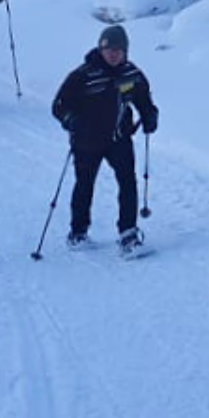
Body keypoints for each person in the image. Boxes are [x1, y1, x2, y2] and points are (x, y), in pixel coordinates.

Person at [51, 23, 159, 256]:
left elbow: (144, 100)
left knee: (128, 182)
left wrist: (150, 116)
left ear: (125, 51)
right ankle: (78, 233)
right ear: (101, 50)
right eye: (109, 49)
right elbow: (59, 106)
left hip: (119, 138)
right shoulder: (84, 75)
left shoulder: (132, 74)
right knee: (85, 184)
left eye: (118, 50)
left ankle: (128, 234)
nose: (113, 54)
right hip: (87, 141)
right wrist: (72, 121)